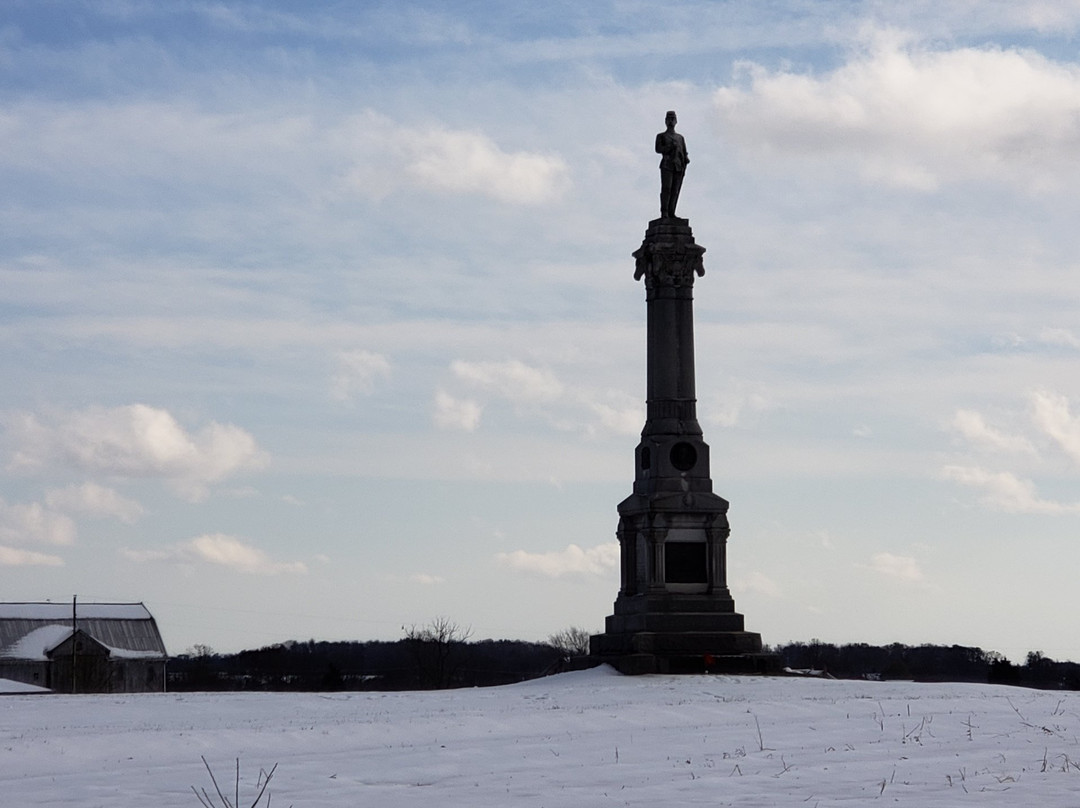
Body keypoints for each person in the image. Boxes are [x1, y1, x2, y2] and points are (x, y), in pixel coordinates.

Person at [655, 110, 688, 218]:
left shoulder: (680, 138)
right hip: (667, 164)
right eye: (669, 119)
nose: (671, 121)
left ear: (676, 121)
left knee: (675, 190)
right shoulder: (661, 136)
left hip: (678, 166)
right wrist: (670, 147)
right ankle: (664, 212)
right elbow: (658, 149)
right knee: (667, 188)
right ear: (665, 121)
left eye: (673, 119)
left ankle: (672, 211)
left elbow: (684, 152)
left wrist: (685, 159)